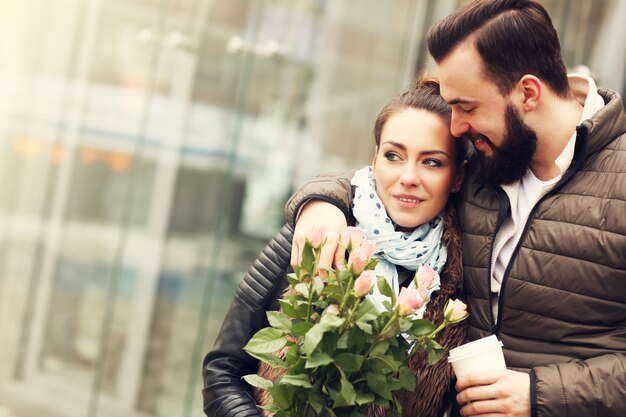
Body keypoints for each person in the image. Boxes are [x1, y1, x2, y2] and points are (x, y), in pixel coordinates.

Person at [283, 1, 626, 417]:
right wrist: (322, 202)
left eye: (467, 106)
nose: (457, 127)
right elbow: (393, 178)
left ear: (528, 93)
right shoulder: (489, 157)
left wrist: (539, 393)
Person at [202, 76, 470, 417]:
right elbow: (222, 369)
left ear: (458, 176)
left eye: (431, 162)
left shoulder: (460, 286)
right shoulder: (317, 234)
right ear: (375, 159)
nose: (409, 176)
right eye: (393, 155)